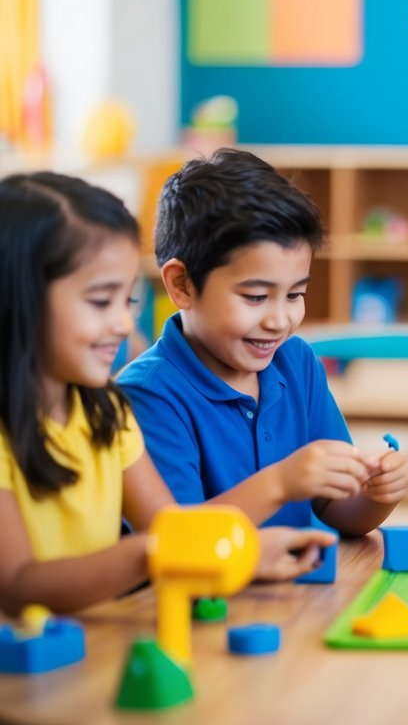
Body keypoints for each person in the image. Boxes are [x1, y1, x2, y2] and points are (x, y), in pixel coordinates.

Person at [0, 173, 333, 614]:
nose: (122, 325)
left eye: (127, 301)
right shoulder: (135, 396)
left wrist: (244, 552)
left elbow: (170, 525)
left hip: (93, 652)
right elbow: (19, 585)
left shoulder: (107, 414)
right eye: (101, 302)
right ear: (18, 298)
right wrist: (157, 551)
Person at [118, 150, 408, 532]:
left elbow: (336, 507)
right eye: (256, 297)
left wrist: (375, 495)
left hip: (292, 590)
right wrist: (281, 483)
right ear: (182, 285)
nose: (279, 321)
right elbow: (175, 541)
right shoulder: (147, 394)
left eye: (295, 295)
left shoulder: (297, 362)